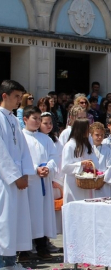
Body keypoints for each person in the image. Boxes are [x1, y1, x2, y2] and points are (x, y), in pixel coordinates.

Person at [0, 80, 35, 270]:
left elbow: (22, 149)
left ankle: (11, 261)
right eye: (15, 97)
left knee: (15, 220)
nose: (18, 101)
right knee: (3, 220)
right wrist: (14, 176)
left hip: (17, 178)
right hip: (4, 180)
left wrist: (25, 173)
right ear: (4, 96)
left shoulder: (13, 119)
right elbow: (1, 152)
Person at [22, 106, 58, 260]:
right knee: (28, 214)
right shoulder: (21, 137)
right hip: (29, 183)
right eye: (34, 118)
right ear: (25, 119)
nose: (37, 122)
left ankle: (42, 247)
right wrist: (35, 169)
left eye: (39, 119)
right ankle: (24, 250)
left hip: (43, 182)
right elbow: (21, 158)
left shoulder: (46, 138)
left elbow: (54, 156)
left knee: (42, 215)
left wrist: (48, 167)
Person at [61, 119, 95, 203]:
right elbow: (65, 167)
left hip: (87, 184)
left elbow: (94, 161)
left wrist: (90, 165)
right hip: (74, 185)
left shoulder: (87, 145)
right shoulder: (69, 146)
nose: (89, 132)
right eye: (87, 129)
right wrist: (81, 164)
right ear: (81, 130)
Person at [89, 122, 111, 198]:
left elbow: (110, 167)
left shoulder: (107, 150)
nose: (99, 137)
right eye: (97, 135)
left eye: (102, 135)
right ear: (91, 135)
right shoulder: (88, 149)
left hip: (104, 183)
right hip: (91, 183)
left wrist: (102, 182)